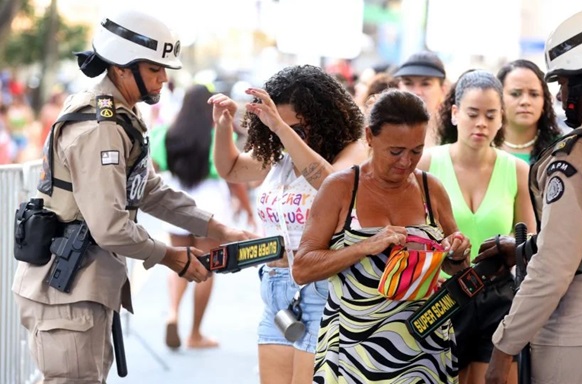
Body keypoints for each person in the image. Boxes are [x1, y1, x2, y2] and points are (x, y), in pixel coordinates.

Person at [11, 9, 253, 383]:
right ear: (122, 68)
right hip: (68, 294)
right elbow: (109, 226)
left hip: (81, 289)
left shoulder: (121, 117)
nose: (163, 79)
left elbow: (149, 190)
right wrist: (172, 256)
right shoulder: (101, 127)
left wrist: (218, 228)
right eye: (155, 69)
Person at [485, 7, 582, 384]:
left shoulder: (576, 154)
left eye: (564, 82)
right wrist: (525, 247)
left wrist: (503, 349)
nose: (559, 94)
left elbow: (554, 268)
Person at [292, 89, 472, 383]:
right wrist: (364, 247)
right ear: (370, 137)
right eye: (395, 151)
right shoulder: (340, 188)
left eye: (416, 150)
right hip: (355, 353)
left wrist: (457, 251)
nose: (406, 162)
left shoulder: (431, 189)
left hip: (424, 350)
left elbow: (456, 267)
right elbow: (302, 268)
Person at [209, 64, 368, 384]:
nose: (287, 132)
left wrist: (281, 128)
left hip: (322, 289)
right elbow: (232, 169)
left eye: (299, 127)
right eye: (278, 123)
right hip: (277, 290)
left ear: (324, 118)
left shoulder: (354, 150)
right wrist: (224, 125)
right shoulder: (279, 156)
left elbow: (331, 184)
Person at [417, 70, 535, 384]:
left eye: (490, 115)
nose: (481, 123)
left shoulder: (517, 169)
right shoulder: (427, 164)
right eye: (472, 113)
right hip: (440, 294)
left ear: (501, 120)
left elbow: (531, 239)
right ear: (455, 114)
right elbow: (411, 235)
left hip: (497, 296)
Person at [148, 84, 252, 349]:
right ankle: (195, 334)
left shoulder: (166, 134)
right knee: (207, 267)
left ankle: (172, 312)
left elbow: (154, 170)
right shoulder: (216, 134)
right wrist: (247, 209)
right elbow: (232, 176)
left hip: (176, 201)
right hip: (211, 204)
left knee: (179, 260)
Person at [496, 59, 562, 164]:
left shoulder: (560, 149)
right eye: (515, 94)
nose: (525, 102)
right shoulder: (482, 145)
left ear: (544, 101)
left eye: (534, 94)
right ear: (498, 98)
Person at [394, 50, 448, 147]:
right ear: (399, 87)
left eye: (425, 84)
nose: (416, 92)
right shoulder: (382, 131)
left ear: (443, 90)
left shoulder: (453, 134)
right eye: (408, 83)